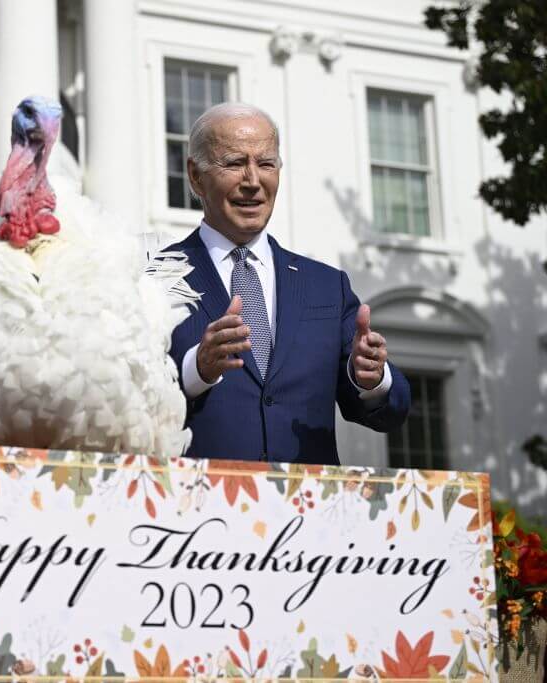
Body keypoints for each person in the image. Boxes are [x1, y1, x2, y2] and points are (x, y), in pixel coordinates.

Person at [168, 103, 410, 464]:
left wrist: (373, 379)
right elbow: (121, 403)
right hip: (197, 511)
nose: (253, 181)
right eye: (235, 163)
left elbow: (391, 410)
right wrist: (197, 369)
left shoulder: (327, 288)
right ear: (195, 175)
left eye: (266, 164)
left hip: (307, 514)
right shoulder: (155, 278)